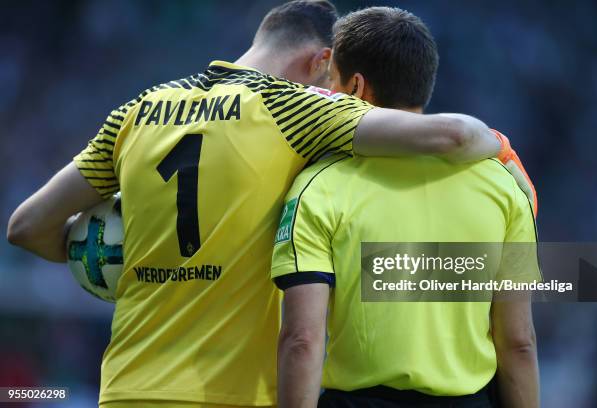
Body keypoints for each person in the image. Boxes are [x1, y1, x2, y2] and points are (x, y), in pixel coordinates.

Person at [8, 1, 505, 408]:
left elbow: (27, 226)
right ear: (321, 62)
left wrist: (118, 259)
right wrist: (500, 147)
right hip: (238, 395)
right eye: (328, 78)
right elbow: (455, 136)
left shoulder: (137, 111)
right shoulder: (292, 107)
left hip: (127, 389)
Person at [272, 7, 540, 408]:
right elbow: (518, 342)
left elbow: (302, 340)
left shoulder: (318, 186)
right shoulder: (502, 184)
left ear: (356, 87)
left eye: (331, 83)